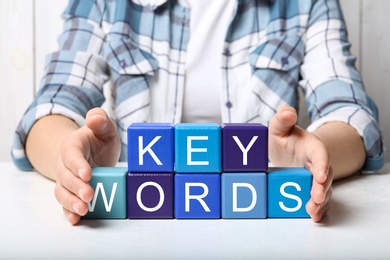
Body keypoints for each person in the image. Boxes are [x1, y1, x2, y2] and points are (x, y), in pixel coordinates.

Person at [12, 0, 385, 225]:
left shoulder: (306, 2)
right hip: (137, 219)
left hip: (261, 228)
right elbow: (52, 105)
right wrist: (71, 157)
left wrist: (312, 155)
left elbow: (351, 114)